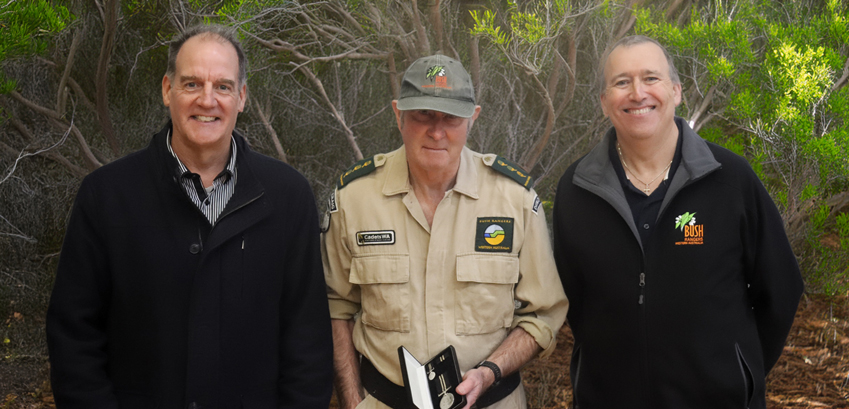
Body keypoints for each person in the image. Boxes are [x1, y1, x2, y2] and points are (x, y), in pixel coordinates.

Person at [46, 24, 333, 408]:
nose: (207, 100)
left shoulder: (288, 197)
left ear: (242, 97)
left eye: (223, 86)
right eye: (192, 84)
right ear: (167, 90)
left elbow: (307, 344)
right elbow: (74, 339)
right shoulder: (107, 196)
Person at [552, 35, 804, 409]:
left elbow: (780, 290)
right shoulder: (577, 190)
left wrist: (738, 373)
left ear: (676, 90)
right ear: (605, 103)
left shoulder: (730, 179)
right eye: (622, 82)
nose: (638, 93)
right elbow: (572, 302)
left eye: (651, 78)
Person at [322, 54, 569, 409]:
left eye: (451, 117)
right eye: (423, 114)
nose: (437, 131)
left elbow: (543, 314)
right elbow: (336, 307)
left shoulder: (513, 200)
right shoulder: (353, 201)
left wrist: (490, 372)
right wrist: (350, 399)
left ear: (473, 118)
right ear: (398, 114)